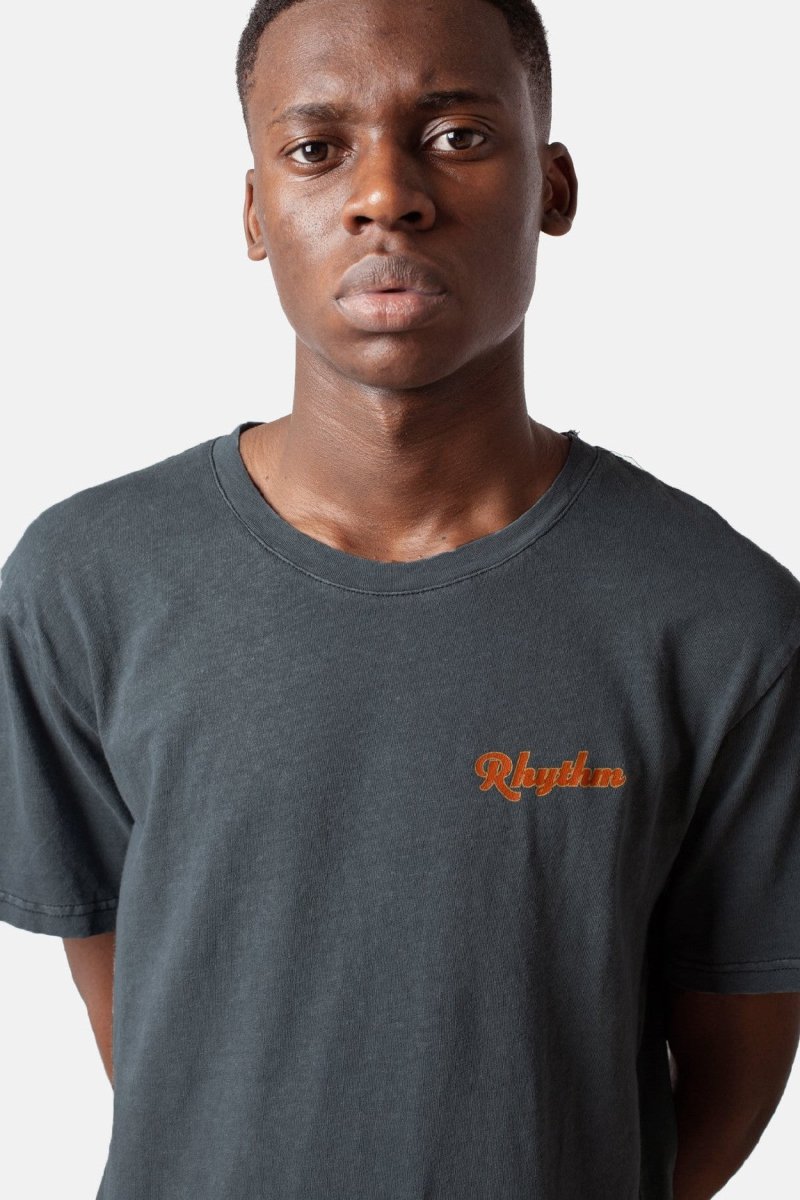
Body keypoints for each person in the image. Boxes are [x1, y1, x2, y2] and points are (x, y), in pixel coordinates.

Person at [1, 0, 799, 1196]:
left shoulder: (720, 618)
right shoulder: (85, 581)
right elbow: (149, 1011)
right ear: (255, 212)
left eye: (456, 136)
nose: (386, 194)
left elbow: (737, 1048)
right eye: (316, 149)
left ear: (553, 187)